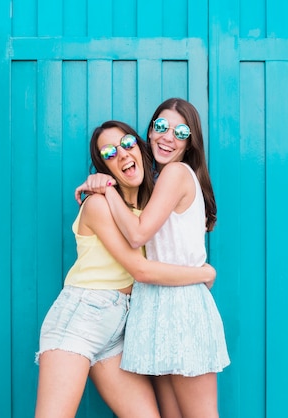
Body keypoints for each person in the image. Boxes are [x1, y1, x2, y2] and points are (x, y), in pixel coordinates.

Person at [35, 120, 217, 418]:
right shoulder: (98, 205)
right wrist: (204, 274)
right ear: (104, 167)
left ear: (140, 147)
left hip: (119, 329)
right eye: (109, 152)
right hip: (80, 318)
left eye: (127, 143)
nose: (121, 154)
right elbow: (141, 269)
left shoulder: (145, 213)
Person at [74, 99, 230, 418]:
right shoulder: (156, 185)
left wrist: (107, 191)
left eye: (180, 131)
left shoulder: (175, 173)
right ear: (149, 132)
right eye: (160, 127)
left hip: (181, 307)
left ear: (190, 142)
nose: (167, 136)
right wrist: (101, 184)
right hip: (155, 308)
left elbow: (137, 235)